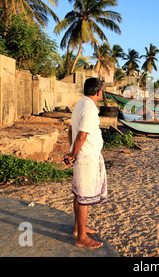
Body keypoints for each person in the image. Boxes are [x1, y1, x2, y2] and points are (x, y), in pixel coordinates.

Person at [62, 78, 107, 250]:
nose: (101, 93)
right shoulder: (89, 109)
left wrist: (72, 151)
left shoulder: (80, 105)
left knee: (79, 194)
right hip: (86, 158)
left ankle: (78, 228)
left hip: (83, 155)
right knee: (84, 198)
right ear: (97, 92)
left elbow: (71, 130)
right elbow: (81, 135)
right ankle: (81, 237)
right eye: (101, 90)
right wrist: (73, 153)